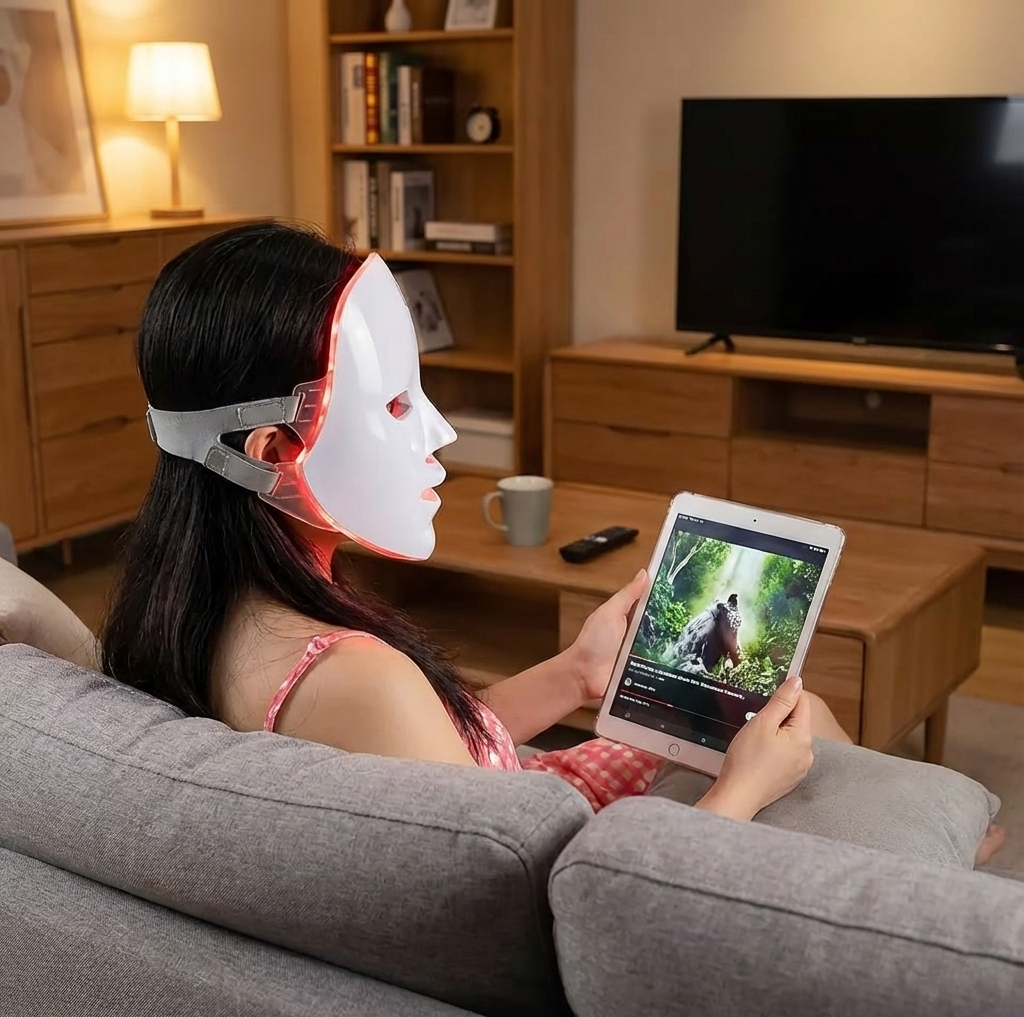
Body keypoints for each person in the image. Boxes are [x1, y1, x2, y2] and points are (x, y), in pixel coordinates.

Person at [48, 222, 994, 863]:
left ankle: (934, 829)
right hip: (591, 856)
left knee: (773, 716)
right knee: (790, 727)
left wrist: (576, 675)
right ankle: (937, 842)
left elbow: (416, 756)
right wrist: (743, 791)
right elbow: (573, 910)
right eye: (396, 403)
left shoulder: (193, 615)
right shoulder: (357, 677)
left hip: (517, 797)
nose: (440, 432)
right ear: (271, 452)